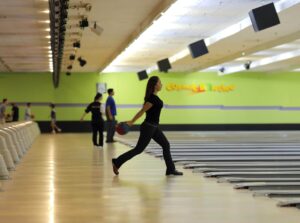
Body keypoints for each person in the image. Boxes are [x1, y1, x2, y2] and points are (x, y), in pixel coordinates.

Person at [112, 76, 183, 176]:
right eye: (160, 82)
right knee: (139, 149)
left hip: (154, 127)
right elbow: (142, 111)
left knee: (166, 145)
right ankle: (117, 162)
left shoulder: (154, 97)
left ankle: (170, 169)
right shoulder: (151, 99)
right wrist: (132, 121)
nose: (161, 84)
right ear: (155, 85)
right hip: (148, 127)